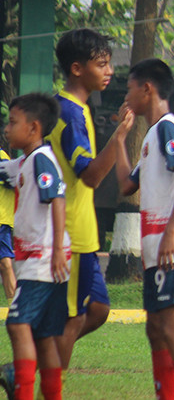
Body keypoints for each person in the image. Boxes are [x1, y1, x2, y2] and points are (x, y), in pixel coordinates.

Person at [114, 58, 174, 400]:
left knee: (170, 325)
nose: (126, 96)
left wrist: (171, 232)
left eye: (129, 89)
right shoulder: (152, 135)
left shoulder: (169, 127)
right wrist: (120, 139)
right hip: (158, 244)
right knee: (155, 328)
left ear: (147, 89)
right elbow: (127, 185)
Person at [48, 29, 130, 370]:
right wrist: (120, 135)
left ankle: (30, 365)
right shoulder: (68, 112)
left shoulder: (76, 108)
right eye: (102, 64)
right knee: (71, 317)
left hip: (84, 231)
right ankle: (51, 386)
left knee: (98, 309)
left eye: (109, 64)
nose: (109, 71)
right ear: (77, 69)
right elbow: (91, 176)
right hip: (71, 233)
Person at [0, 94, 70, 400]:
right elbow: (6, 171)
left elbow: (56, 197)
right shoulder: (26, 161)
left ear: (34, 128)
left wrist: (55, 250)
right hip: (42, 261)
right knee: (43, 338)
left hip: (42, 261)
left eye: (13, 122)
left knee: (17, 326)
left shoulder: (42, 159)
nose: (6, 128)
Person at [0, 146, 16, 301]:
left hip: (1, 219)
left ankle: (15, 307)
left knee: (5, 264)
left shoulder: (1, 156)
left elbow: (13, 181)